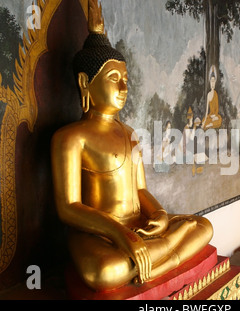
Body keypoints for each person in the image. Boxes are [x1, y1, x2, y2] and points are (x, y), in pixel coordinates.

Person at [51, 3, 213, 291]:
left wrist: (160, 216)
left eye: (126, 80)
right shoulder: (70, 137)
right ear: (84, 82)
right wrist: (121, 235)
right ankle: (168, 250)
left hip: (138, 224)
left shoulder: (130, 134)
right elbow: (69, 208)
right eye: (114, 79)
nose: (124, 88)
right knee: (104, 272)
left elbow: (140, 190)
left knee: (204, 227)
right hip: (98, 234)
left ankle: (156, 258)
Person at [201, 65, 222, 130]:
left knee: (219, 119)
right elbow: (207, 111)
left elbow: (217, 109)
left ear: (215, 82)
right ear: (209, 82)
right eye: (211, 81)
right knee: (204, 120)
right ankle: (208, 124)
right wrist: (204, 122)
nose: (212, 83)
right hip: (210, 116)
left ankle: (210, 125)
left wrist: (215, 116)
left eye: (214, 81)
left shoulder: (216, 94)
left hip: (215, 116)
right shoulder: (208, 94)